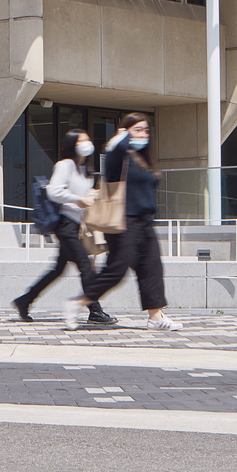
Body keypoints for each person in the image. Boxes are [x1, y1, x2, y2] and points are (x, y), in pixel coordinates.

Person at [74, 113, 179, 331]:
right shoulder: (118, 157)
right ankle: (78, 303)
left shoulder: (142, 159)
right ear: (126, 131)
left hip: (144, 221)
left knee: (152, 268)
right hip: (123, 222)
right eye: (137, 129)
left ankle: (156, 317)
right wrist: (121, 137)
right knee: (117, 269)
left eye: (146, 130)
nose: (143, 134)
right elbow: (113, 154)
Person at [13, 131, 115, 326]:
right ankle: (95, 310)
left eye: (88, 139)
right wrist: (79, 199)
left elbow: (82, 197)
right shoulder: (65, 165)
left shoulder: (86, 170)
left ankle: (25, 300)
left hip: (75, 225)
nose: (87, 143)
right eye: (82, 140)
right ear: (72, 144)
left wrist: (93, 195)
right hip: (64, 223)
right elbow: (53, 191)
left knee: (58, 269)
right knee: (85, 265)